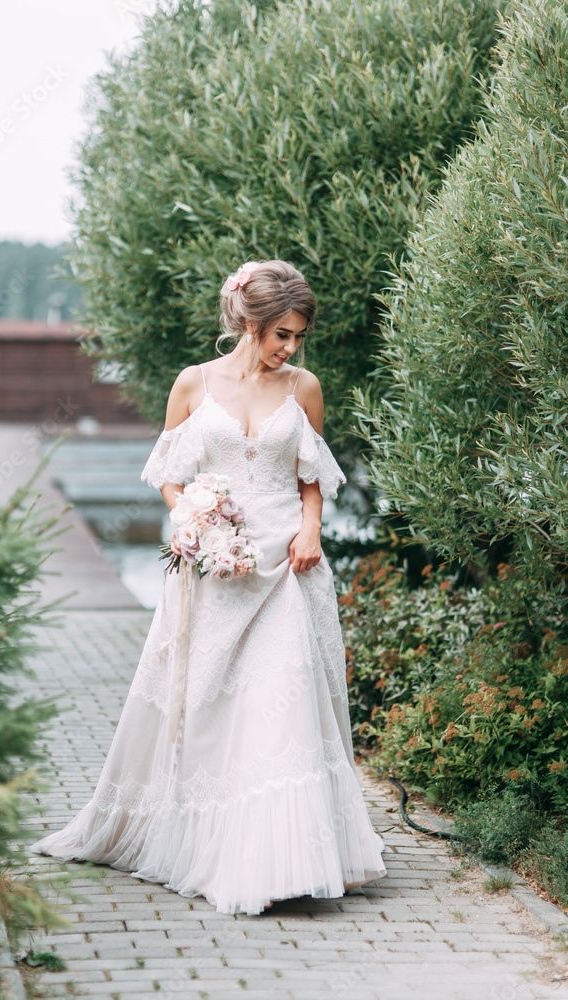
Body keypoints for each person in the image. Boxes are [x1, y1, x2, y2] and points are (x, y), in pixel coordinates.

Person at [29, 259, 386, 914]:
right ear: (249, 323)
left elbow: (310, 478)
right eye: (282, 334)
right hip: (214, 568)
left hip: (286, 566)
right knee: (216, 708)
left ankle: (288, 860)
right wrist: (189, 513)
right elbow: (169, 471)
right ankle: (211, 841)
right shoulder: (193, 385)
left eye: (297, 336)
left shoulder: (303, 388)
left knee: (281, 702)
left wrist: (312, 529)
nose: (290, 348)